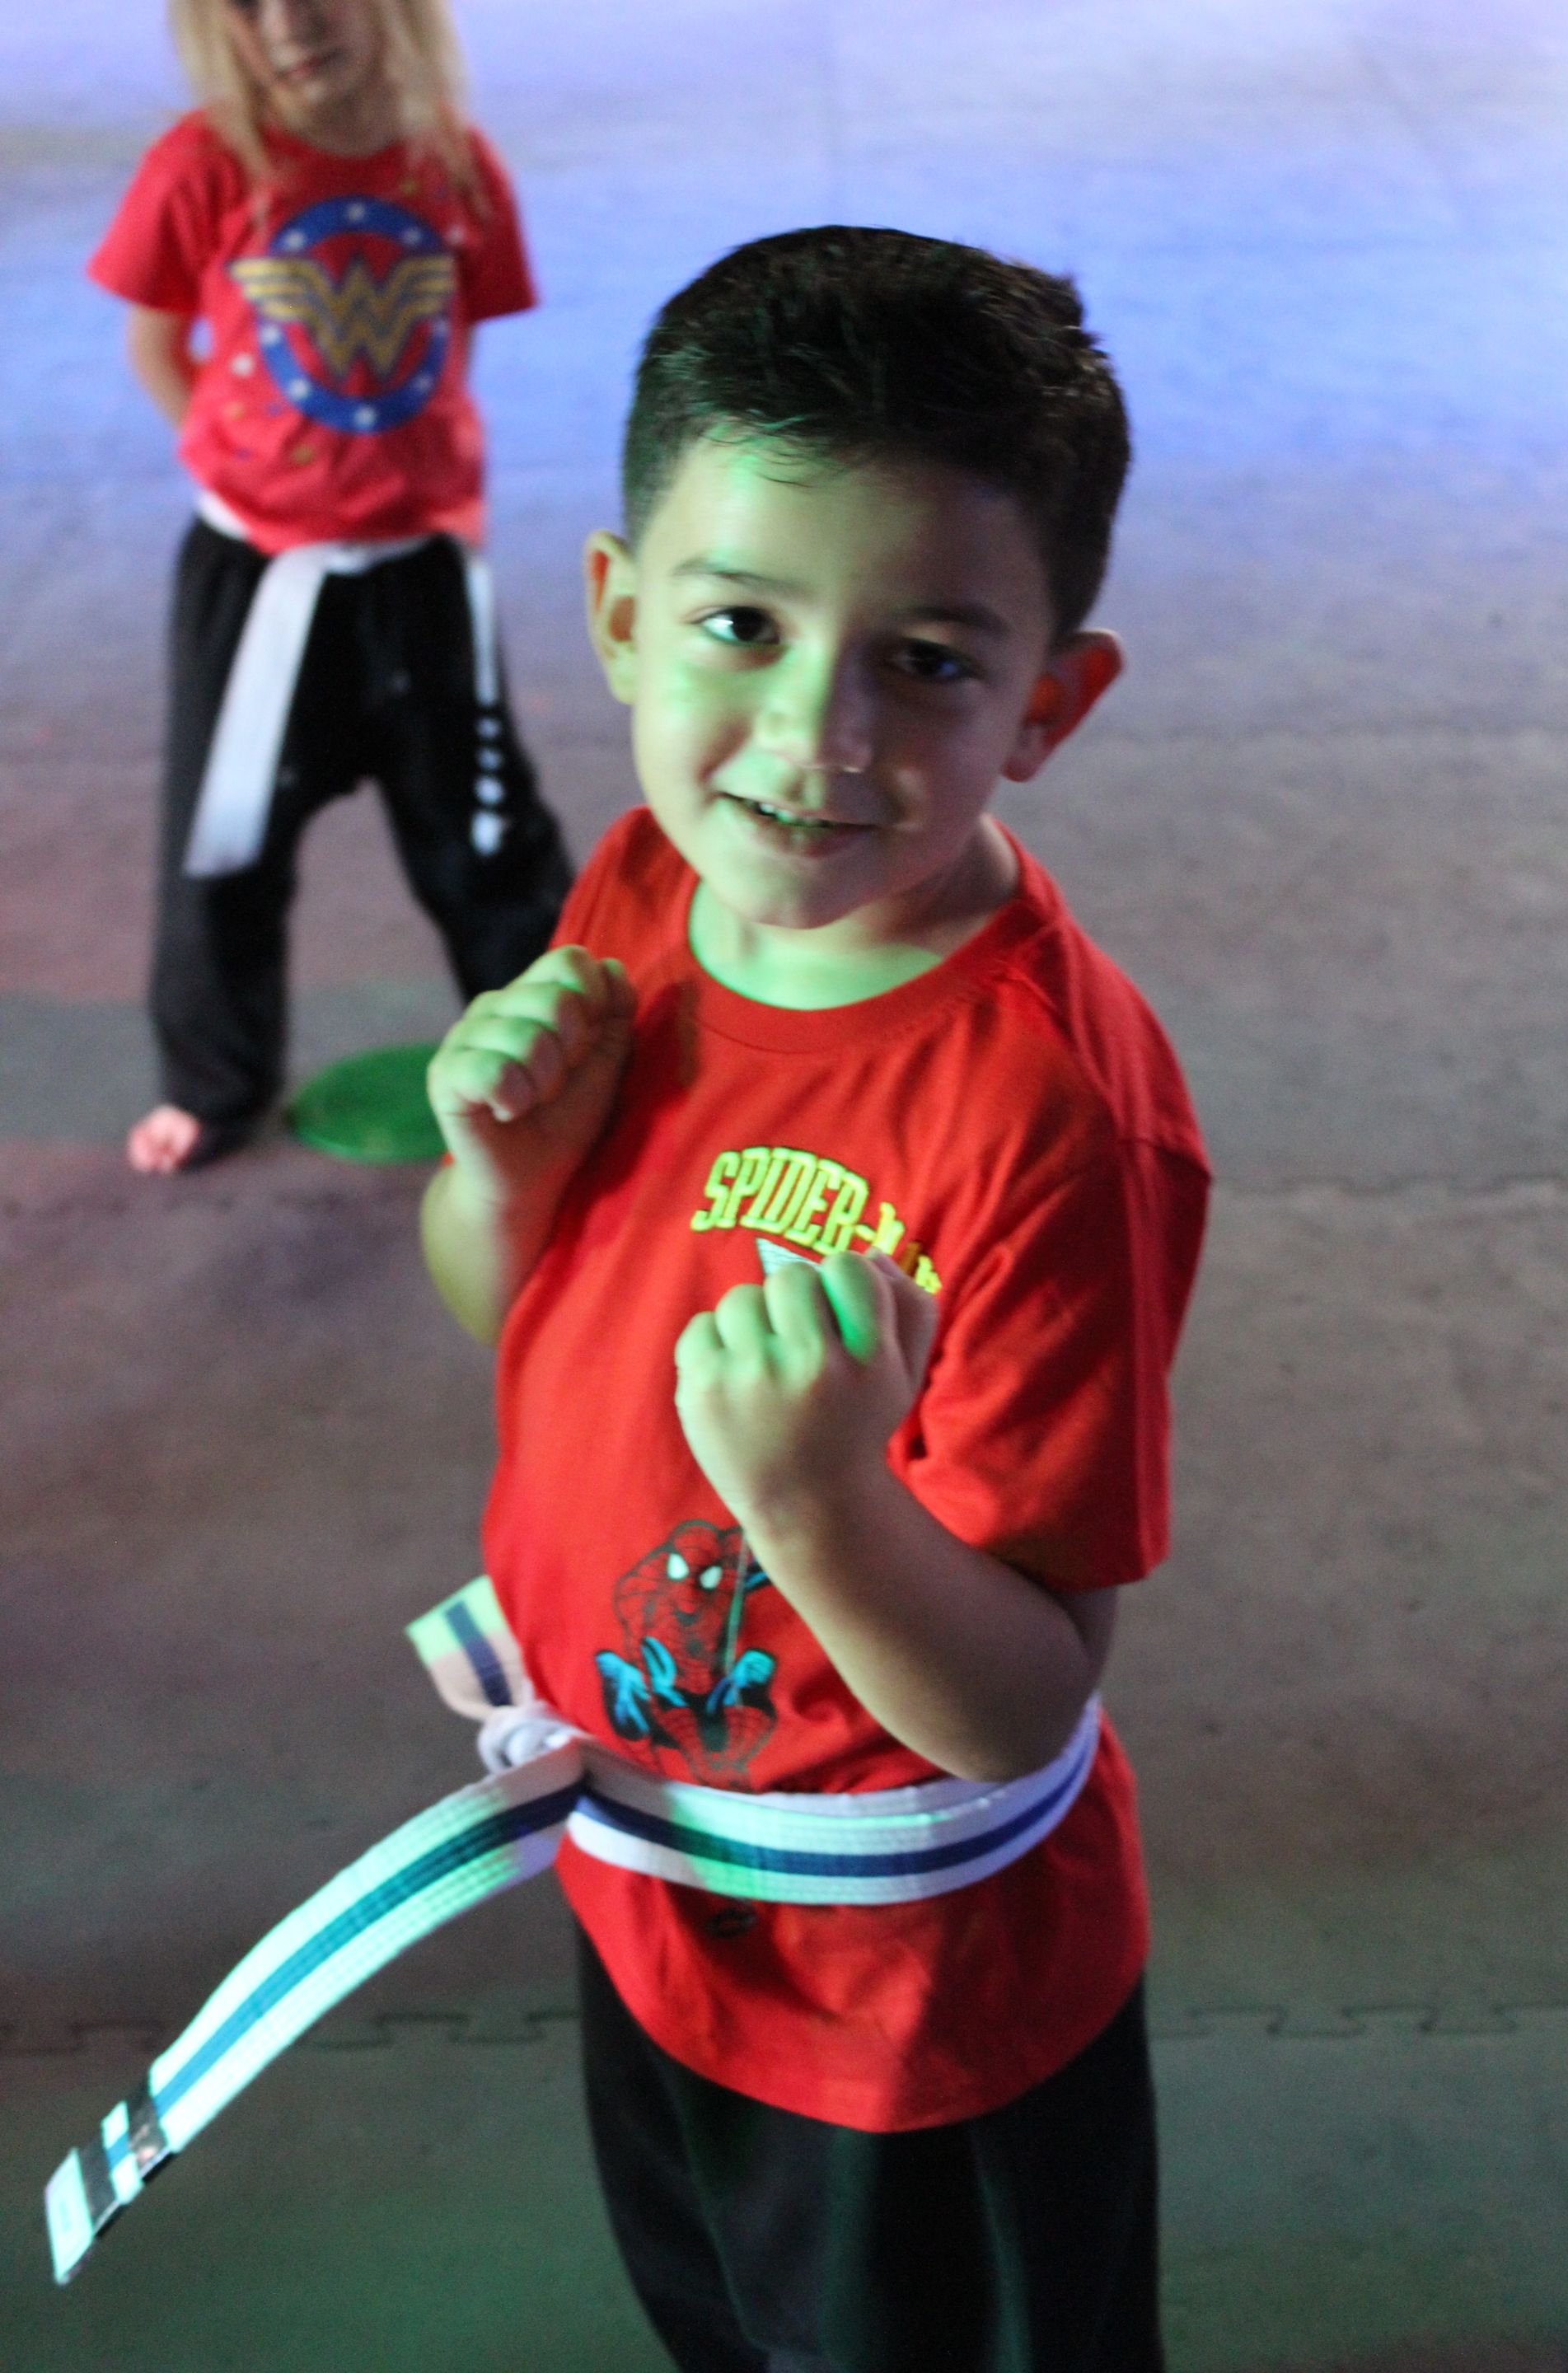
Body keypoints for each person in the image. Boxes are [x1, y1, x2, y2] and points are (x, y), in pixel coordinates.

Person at [423, 227, 1210, 2373]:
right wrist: (496, 1181)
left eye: (928, 661)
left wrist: (818, 1502)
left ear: (1048, 704)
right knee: (717, 2319)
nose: (812, 738)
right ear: (617, 614)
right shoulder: (646, 884)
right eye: (740, 627)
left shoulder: (1050, 1119)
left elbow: (1025, 1697)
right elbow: (514, 1311)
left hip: (907, 1998)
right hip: (647, 1859)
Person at [88, 0, 572, 1173]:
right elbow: (154, 343)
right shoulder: (203, 167)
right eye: (250, 4)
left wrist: (416, 483)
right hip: (258, 578)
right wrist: (241, 473)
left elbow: (453, 340)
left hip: (421, 571)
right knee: (225, 844)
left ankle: (560, 1060)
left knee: (488, 834)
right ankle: (214, 1083)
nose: (292, 22)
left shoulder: (454, 164)